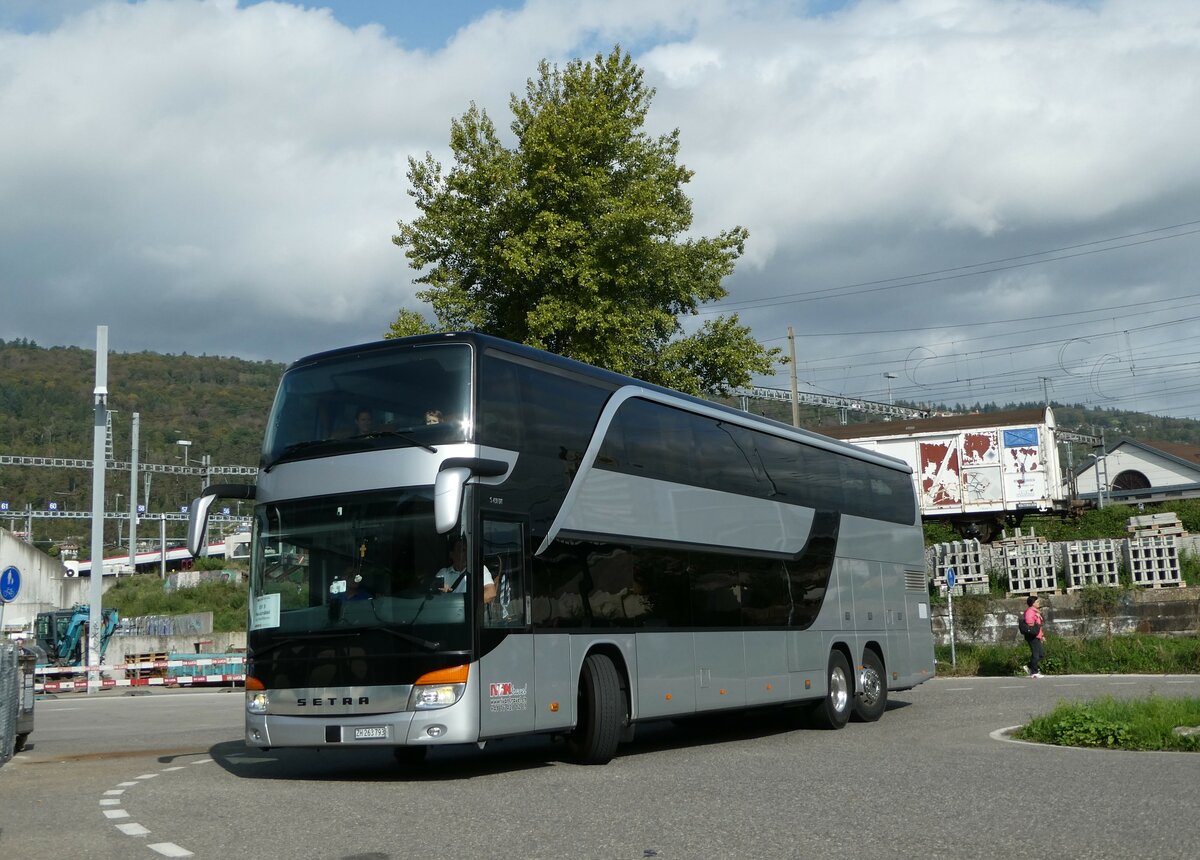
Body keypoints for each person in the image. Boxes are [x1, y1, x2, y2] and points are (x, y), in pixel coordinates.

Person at [434, 538, 495, 603]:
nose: (466, 553)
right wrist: (442, 591)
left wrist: (466, 604)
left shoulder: (478, 569)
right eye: (462, 550)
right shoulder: (443, 573)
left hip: (468, 612)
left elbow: (491, 593)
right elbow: (434, 594)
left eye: (467, 550)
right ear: (451, 554)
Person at [1023, 595, 1045, 677]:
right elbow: (1029, 623)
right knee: (1036, 654)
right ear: (1032, 603)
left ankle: (1029, 667)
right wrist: (1036, 616)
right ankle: (1034, 672)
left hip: (1037, 635)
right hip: (1032, 635)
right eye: (1037, 602)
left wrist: (1042, 635)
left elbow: (1039, 626)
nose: (1039, 603)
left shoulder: (1035, 611)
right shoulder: (1030, 612)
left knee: (1041, 654)